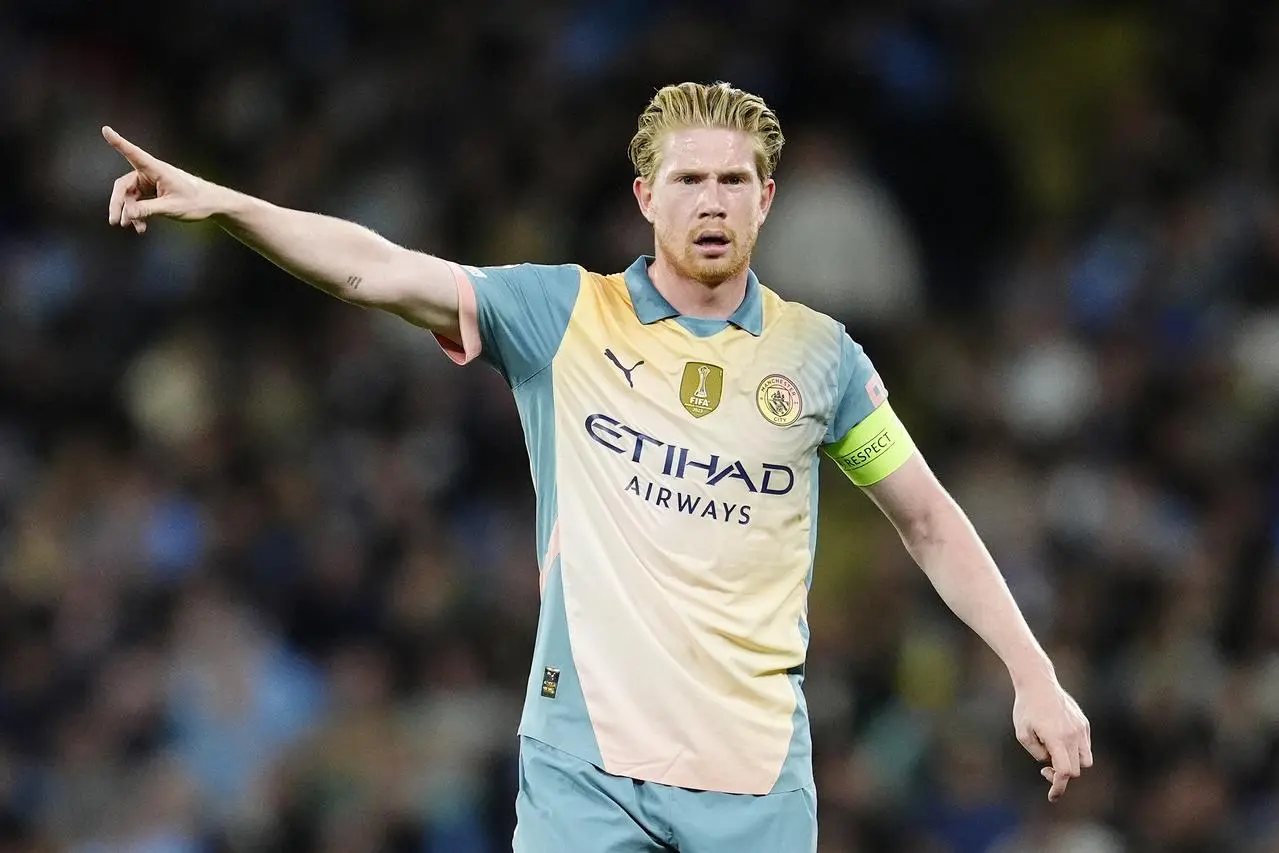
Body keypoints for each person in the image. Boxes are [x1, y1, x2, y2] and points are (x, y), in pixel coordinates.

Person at [103, 80, 1092, 853]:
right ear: (643, 195)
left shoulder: (820, 359)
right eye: (689, 180)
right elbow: (373, 267)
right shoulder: (561, 315)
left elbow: (925, 517)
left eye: (734, 180)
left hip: (752, 776)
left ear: (767, 199)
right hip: (585, 764)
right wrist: (223, 202)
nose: (712, 201)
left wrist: (1032, 672)